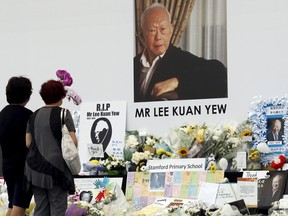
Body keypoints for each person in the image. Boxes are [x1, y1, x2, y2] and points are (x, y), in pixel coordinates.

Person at [134, 3, 227, 102]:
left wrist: (177, 81)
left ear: (171, 30)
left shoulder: (182, 60)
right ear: (141, 34)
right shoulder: (133, 64)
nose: (158, 37)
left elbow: (219, 73)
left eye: (163, 29)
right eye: (152, 30)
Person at [24, 80, 78, 216]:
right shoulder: (64, 114)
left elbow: (28, 143)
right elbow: (73, 142)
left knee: (40, 208)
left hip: (34, 169)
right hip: (57, 169)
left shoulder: (33, 115)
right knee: (58, 208)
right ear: (61, 95)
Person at [0, 76, 33, 216]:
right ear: (27, 95)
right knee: (19, 207)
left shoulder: (2, 114)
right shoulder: (29, 116)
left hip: (7, 165)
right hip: (23, 168)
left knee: (12, 205)